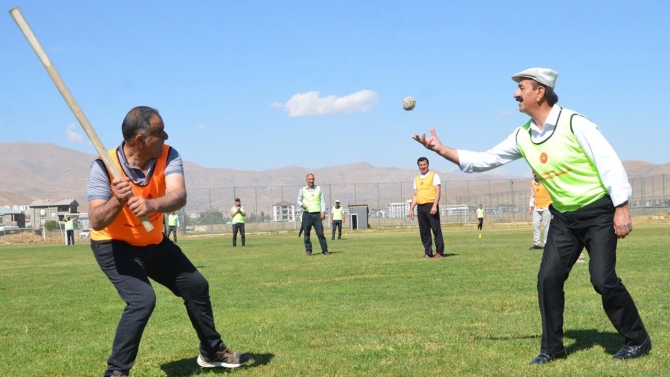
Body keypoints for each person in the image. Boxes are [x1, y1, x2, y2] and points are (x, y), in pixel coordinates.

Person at [412, 68, 650, 364]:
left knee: (602, 280)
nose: (515, 94)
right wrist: (441, 149)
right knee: (547, 279)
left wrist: (621, 207)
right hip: (564, 218)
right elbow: (485, 160)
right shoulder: (523, 135)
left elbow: (609, 163)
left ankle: (637, 339)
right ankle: (553, 349)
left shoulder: (575, 123)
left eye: (521, 88)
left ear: (540, 92)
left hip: (597, 212)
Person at [87, 106, 248, 377]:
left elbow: (179, 196)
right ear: (140, 139)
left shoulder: (168, 154)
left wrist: (150, 204)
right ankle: (116, 372)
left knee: (196, 285)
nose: (166, 136)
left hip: (153, 242)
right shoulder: (103, 167)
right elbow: (96, 220)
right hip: (113, 244)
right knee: (142, 300)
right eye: (159, 132)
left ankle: (211, 351)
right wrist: (116, 200)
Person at [409, 157, 445, 258]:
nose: (423, 167)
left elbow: (437, 191)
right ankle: (428, 252)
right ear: (418, 166)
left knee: (436, 229)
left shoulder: (434, 175)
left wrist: (434, 206)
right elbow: (416, 195)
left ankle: (439, 252)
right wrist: (411, 208)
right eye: (420, 165)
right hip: (420, 207)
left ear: (428, 164)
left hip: (431, 205)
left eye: (424, 164)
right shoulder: (416, 179)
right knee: (424, 231)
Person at [296, 173, 330, 256]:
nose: (311, 181)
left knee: (320, 233)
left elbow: (322, 201)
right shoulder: (302, 190)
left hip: (317, 215)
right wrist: (301, 204)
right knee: (306, 233)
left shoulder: (319, 189)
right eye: (310, 179)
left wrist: (323, 212)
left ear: (314, 180)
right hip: (307, 214)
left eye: (312, 179)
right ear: (306, 180)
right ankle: (308, 250)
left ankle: (325, 250)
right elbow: (298, 200)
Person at [528, 174, 551, 250]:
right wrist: (531, 206)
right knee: (535, 225)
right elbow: (532, 195)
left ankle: (546, 244)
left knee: (546, 227)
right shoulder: (533, 183)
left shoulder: (546, 182)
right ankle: (537, 244)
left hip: (546, 207)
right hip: (537, 208)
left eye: (536, 172)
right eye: (533, 172)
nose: (535, 174)